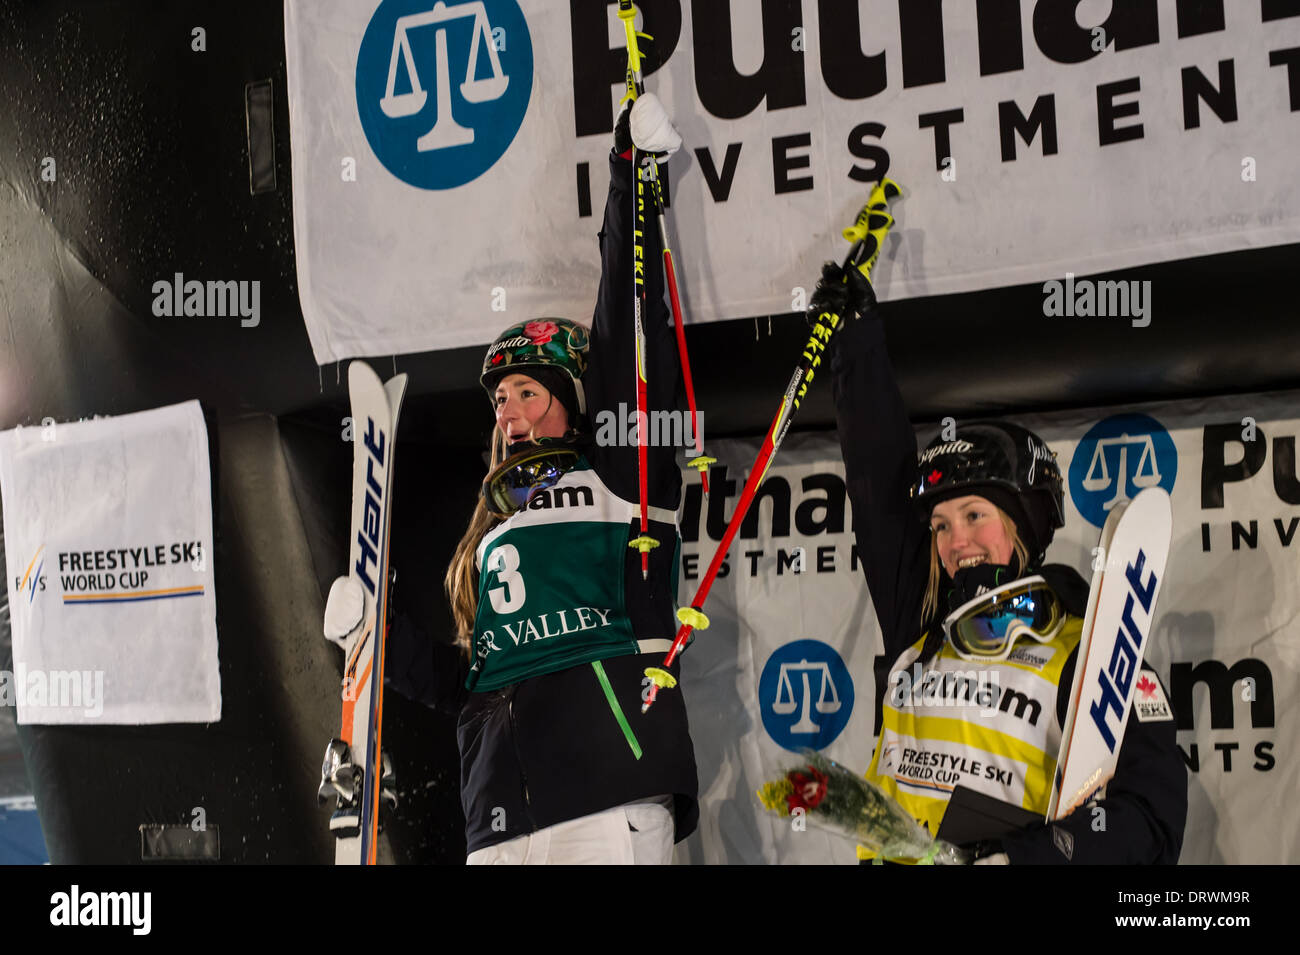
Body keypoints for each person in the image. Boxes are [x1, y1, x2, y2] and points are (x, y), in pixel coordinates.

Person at [324, 93, 697, 865]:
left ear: (571, 405)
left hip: (606, 796)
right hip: (497, 815)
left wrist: (629, 173)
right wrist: (377, 636)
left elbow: (632, 335)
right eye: (501, 399)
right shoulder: (489, 530)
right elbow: (467, 682)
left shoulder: (622, 482)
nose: (511, 409)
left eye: (529, 392)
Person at [818, 263, 1187, 864]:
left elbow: (1150, 822)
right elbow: (877, 483)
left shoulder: (1091, 649)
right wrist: (854, 337)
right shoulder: (925, 622)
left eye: (974, 515)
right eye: (940, 524)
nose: (955, 539)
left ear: (1023, 524)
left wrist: (1019, 860)